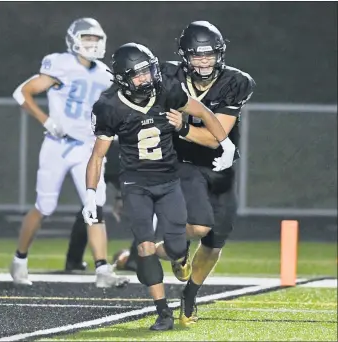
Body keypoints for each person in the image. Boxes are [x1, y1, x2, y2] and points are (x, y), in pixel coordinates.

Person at [82, 42, 236, 331]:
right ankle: (162, 311)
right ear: (122, 79)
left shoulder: (166, 90)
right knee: (145, 246)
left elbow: (202, 111)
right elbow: (97, 155)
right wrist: (90, 195)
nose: (146, 79)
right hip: (135, 183)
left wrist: (225, 144)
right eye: (137, 75)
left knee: (177, 247)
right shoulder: (108, 106)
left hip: (168, 180)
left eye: (148, 71)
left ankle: (174, 259)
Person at [111, 20, 256, 327]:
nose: (204, 61)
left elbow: (218, 135)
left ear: (220, 54)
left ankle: (189, 294)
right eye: (197, 55)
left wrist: (184, 126)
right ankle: (168, 251)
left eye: (209, 54)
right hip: (181, 164)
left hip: (220, 167)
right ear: (184, 56)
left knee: (215, 242)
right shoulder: (167, 73)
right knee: (201, 226)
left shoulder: (236, 82)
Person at [10, 17, 129, 289]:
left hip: (87, 148)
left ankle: (102, 271)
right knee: (44, 207)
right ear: (74, 40)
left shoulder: (104, 74)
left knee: (94, 207)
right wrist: (47, 121)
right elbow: (22, 93)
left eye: (96, 39)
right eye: (87, 38)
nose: (92, 44)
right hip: (57, 145)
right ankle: (19, 259)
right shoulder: (59, 63)